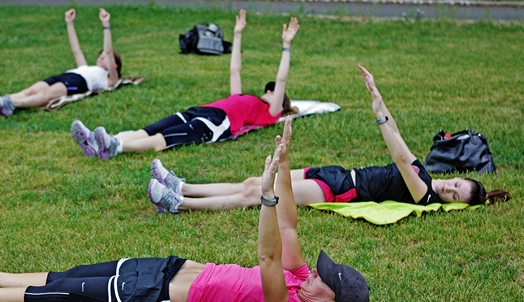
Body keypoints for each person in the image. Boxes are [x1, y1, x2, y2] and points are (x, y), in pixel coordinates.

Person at [0, 118, 370, 302]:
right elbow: (289, 232)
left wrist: (268, 193)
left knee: (65, 296)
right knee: (76, 275)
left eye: (323, 279)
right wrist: (286, 166)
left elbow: (268, 254)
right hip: (171, 268)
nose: (314, 271)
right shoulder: (299, 282)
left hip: (158, 300)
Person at [146, 65, 509, 213]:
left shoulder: (425, 194)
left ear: (455, 204)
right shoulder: (428, 176)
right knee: (251, 182)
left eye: (456, 195)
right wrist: (377, 96)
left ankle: (179, 204)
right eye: (458, 184)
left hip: (338, 190)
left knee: (256, 195)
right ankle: (186, 186)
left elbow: (400, 156)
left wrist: (378, 115)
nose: (451, 189)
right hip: (336, 172)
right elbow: (399, 137)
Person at [70, 10, 299, 160]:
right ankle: (98, 141)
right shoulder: (241, 98)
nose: (268, 91)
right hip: (202, 110)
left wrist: (286, 45)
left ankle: (116, 146)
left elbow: (281, 80)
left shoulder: (271, 112)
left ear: (280, 103)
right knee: (152, 129)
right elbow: (234, 69)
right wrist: (237, 34)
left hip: (217, 123)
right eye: (268, 90)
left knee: (165, 139)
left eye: (273, 93)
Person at [0, 8, 121, 117]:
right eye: (100, 56)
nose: (102, 57)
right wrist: (69, 23)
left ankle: (10, 104)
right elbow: (76, 50)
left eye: (106, 58)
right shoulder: (86, 67)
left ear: (115, 65)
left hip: (80, 82)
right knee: (30, 90)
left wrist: (105, 24)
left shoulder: (110, 78)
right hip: (66, 75)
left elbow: (109, 52)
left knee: (47, 94)